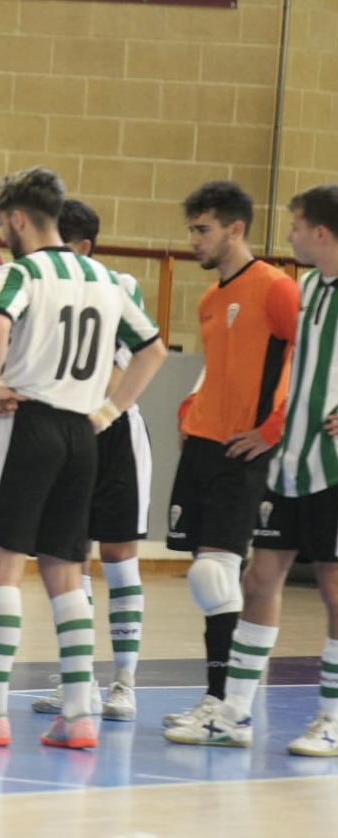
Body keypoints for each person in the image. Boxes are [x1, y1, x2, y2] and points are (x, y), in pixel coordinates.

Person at [0, 167, 165, 750]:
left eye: (0, 223)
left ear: (17, 218)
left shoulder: (25, 272)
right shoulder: (106, 278)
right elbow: (153, 348)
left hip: (28, 424)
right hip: (83, 434)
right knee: (66, 570)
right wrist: (110, 410)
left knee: (0, 566)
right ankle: (79, 715)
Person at [166, 184, 337, 754]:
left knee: (334, 590)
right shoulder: (306, 289)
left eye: (297, 225)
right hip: (287, 463)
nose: (288, 235)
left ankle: (331, 716)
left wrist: (266, 427)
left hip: (325, 462)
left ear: (321, 231)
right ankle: (233, 712)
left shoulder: (279, 287)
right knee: (255, 580)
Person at [31, 199, 154, 722]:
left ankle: (125, 682)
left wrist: (101, 411)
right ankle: (78, 681)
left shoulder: (118, 286)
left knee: (119, 557)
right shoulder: (41, 286)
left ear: (81, 247)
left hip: (114, 429)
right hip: (66, 430)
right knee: (69, 556)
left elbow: (128, 363)